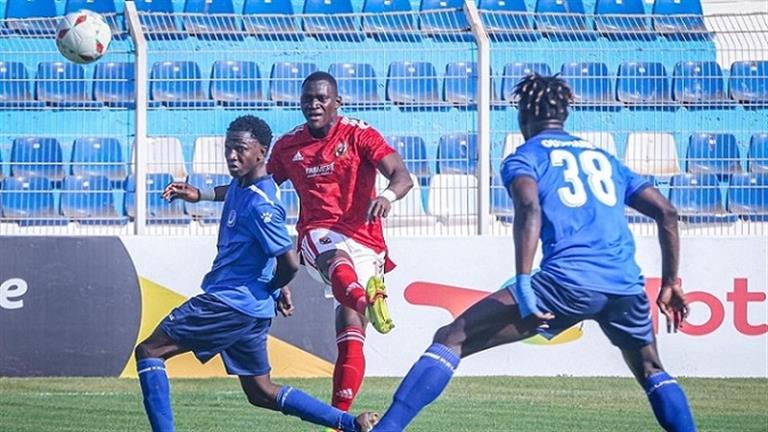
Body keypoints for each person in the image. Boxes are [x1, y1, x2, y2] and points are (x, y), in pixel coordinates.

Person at [370, 74, 697, 432]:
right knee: (651, 368)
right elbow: (667, 212)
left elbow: (529, 209)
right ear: (564, 114)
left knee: (452, 337)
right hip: (625, 285)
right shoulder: (605, 159)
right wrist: (671, 282)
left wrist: (524, 282)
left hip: (565, 282)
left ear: (523, 114)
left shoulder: (525, 158)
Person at [162, 72, 414, 421]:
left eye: (322, 98)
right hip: (318, 233)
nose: (314, 105)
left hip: (366, 238)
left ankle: (339, 422)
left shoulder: (359, 134)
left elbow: (402, 175)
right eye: (307, 98)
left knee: (350, 333)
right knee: (333, 257)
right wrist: (202, 193)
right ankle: (367, 299)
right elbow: (251, 183)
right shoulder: (289, 145)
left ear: (337, 103)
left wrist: (386, 196)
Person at [137, 115, 379, 432]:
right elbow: (262, 247)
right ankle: (350, 422)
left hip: (227, 303)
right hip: (250, 311)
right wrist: (201, 194)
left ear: (261, 153)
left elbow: (289, 262)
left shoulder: (262, 205)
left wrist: (274, 286)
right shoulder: (242, 186)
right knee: (261, 392)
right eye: (228, 148)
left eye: (240, 149)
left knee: (149, 352)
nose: (231, 156)